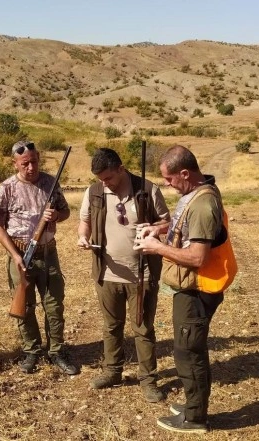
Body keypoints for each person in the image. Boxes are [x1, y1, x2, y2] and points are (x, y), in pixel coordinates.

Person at [134, 145, 227, 433]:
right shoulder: (195, 193)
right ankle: (192, 404)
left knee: (189, 352)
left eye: (170, 178)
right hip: (189, 288)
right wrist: (159, 229)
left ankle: (195, 417)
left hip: (196, 291)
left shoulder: (202, 204)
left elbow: (198, 257)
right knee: (188, 349)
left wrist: (157, 248)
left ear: (185, 173)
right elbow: (184, 227)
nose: (166, 184)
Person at [76, 148, 170, 402]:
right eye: (100, 179)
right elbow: (84, 221)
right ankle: (112, 371)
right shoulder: (94, 192)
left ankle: (148, 380)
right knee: (111, 326)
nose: (104, 183)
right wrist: (83, 237)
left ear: (121, 168)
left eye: (108, 178)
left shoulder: (148, 190)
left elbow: (168, 222)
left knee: (142, 328)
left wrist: (153, 228)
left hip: (142, 273)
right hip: (107, 272)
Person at [0, 140, 79, 375]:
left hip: (48, 253)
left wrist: (57, 216)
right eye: (25, 164)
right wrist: (15, 255)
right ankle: (31, 351)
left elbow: (66, 211)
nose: (31, 168)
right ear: (15, 163)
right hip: (20, 255)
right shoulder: (6, 188)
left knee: (54, 305)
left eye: (34, 162)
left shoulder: (51, 183)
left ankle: (57, 351)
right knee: (25, 306)